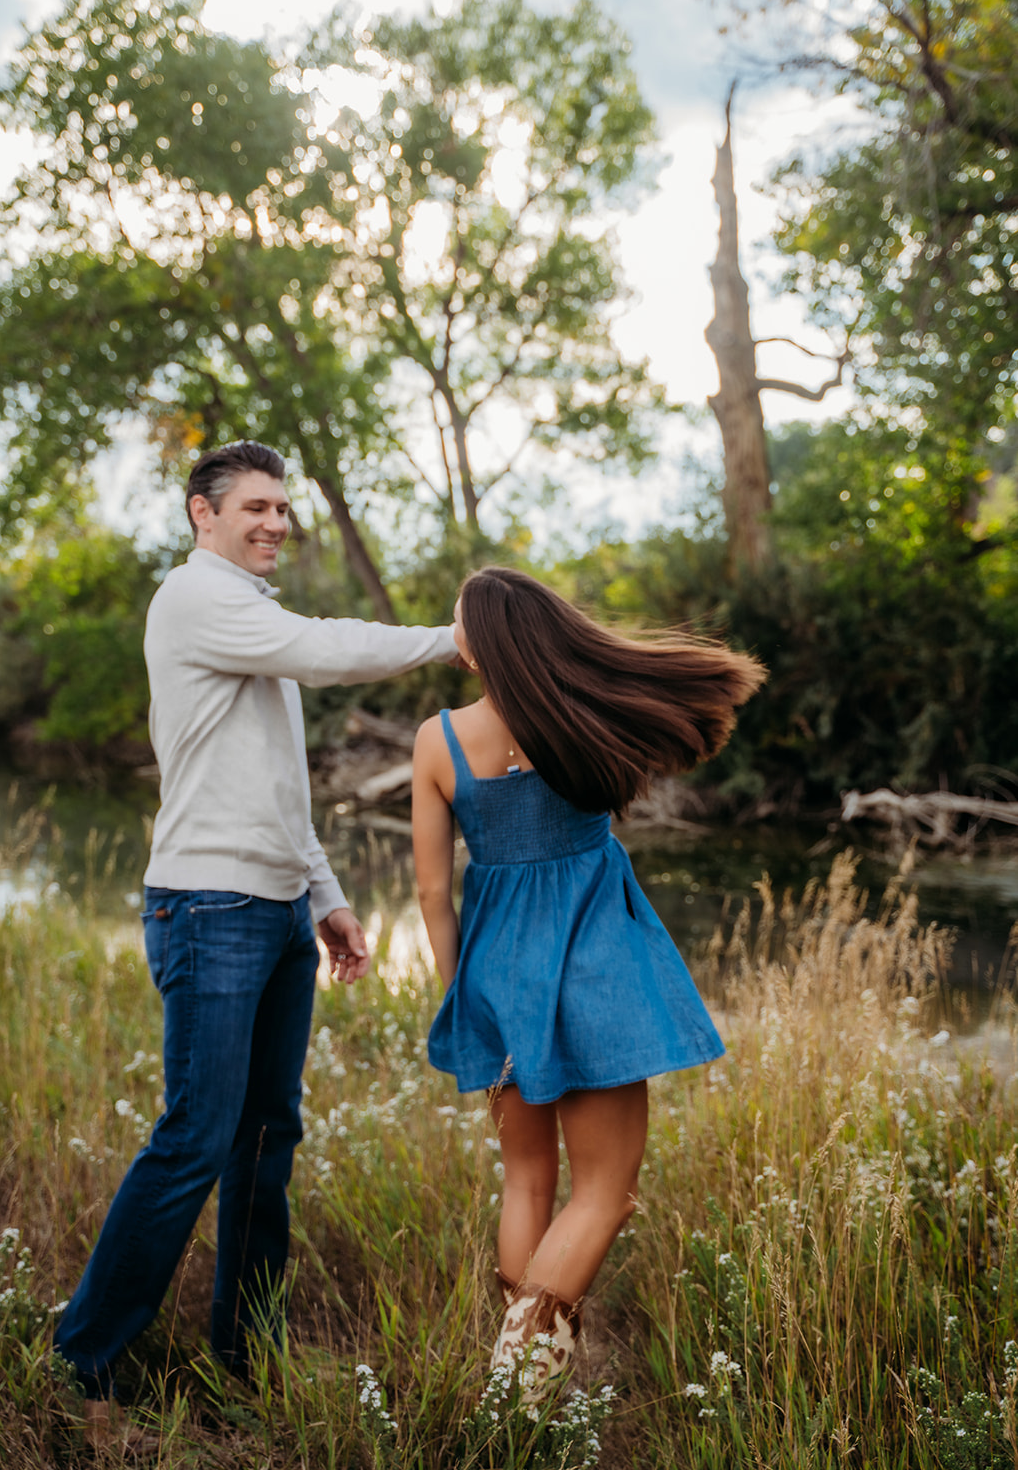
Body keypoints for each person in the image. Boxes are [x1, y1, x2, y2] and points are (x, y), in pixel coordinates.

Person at [54, 441, 457, 1445]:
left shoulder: (252, 623)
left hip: (272, 909)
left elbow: (277, 782)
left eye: (285, 506)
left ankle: (246, 1347)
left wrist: (322, 896)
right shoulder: (198, 601)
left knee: (268, 1136)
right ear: (203, 513)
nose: (276, 521)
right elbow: (329, 649)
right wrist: (451, 637)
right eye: (257, 506)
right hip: (206, 907)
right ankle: (83, 1364)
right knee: (195, 1135)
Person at [411, 566, 765, 1405]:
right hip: (597, 968)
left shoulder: (439, 739)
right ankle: (517, 1394)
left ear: (480, 644)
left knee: (526, 1180)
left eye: (456, 621)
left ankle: (516, 1381)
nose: (452, 633)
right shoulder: (588, 713)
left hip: (496, 977)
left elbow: (431, 892)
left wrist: (462, 993)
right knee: (604, 1191)